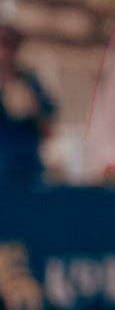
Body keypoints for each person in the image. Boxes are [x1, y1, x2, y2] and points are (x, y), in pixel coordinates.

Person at [0, 23, 57, 188]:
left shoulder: (29, 82)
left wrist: (32, 110)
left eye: (10, 44)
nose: (5, 50)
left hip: (26, 167)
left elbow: (48, 128)